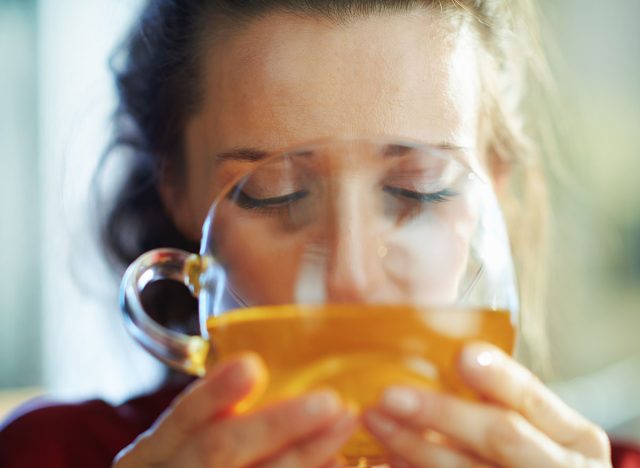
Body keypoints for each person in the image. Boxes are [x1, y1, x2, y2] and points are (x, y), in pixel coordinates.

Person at [0, 1, 638, 467]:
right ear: (181, 194)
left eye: (418, 190)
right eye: (275, 193)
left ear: (490, 194)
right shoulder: (50, 456)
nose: (351, 276)